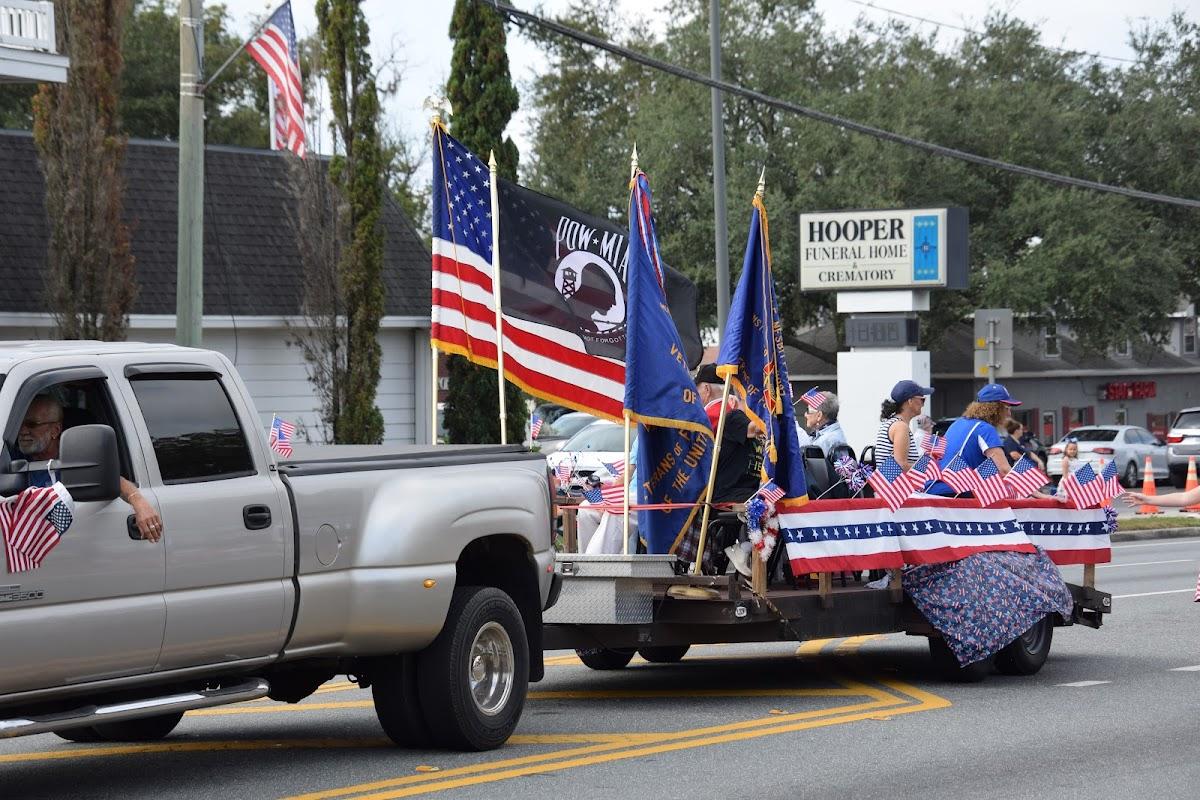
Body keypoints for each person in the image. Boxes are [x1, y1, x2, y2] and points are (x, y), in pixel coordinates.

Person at [17, 395, 163, 542]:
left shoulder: (77, 458)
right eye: (20, 423)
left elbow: (109, 479)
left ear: (55, 430)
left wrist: (139, 502)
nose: (22, 431)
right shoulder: (10, 456)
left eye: (31, 424)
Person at [926, 383, 1021, 496]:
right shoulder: (984, 428)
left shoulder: (958, 423)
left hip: (933, 487)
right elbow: (1004, 470)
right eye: (1006, 408)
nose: (1009, 413)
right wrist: (1036, 494)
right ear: (994, 408)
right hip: (954, 491)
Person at [694, 365, 763, 502]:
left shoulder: (728, 416)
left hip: (727, 496)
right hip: (744, 493)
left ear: (707, 389)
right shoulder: (731, 414)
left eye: (697, 390)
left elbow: (755, 428)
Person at [874, 380, 932, 470]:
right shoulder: (900, 427)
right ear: (910, 401)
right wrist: (928, 469)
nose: (922, 404)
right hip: (894, 483)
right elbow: (901, 465)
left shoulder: (894, 423)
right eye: (922, 400)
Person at [798, 392, 847, 456]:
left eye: (808, 411)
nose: (805, 415)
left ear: (819, 415)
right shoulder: (833, 433)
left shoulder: (826, 440)